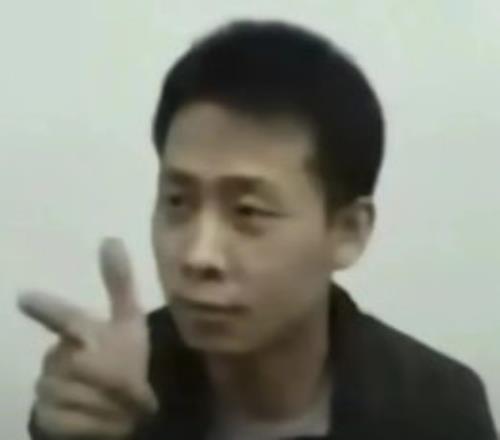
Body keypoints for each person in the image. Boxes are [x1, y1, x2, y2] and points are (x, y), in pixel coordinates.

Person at [19, 19, 496, 440]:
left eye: (248, 211)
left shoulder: (433, 409)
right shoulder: (116, 391)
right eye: (178, 202)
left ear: (348, 230)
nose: (199, 255)